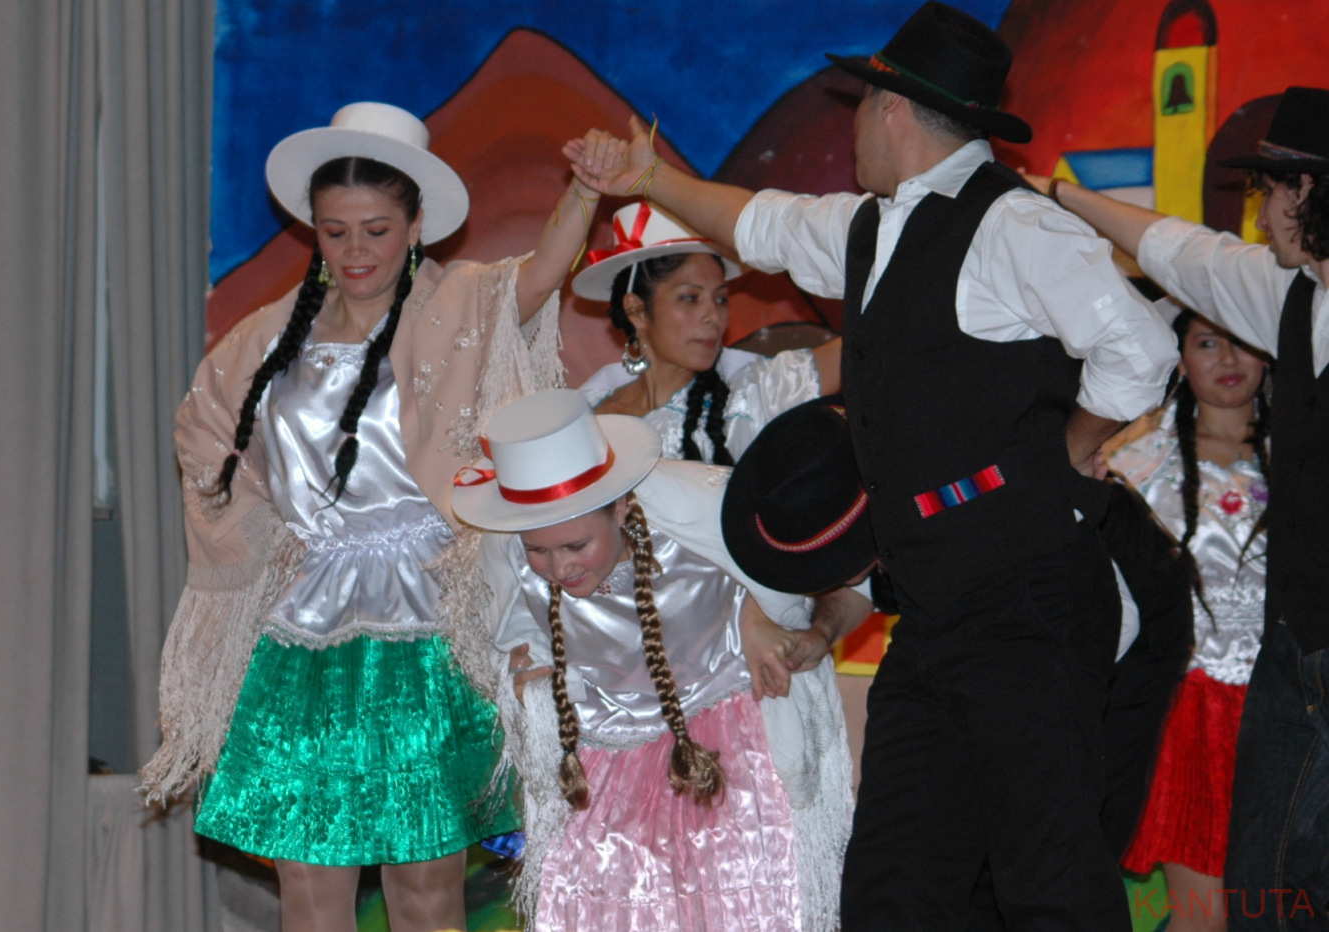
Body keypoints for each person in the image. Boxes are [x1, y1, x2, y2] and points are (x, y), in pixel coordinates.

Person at [566, 0, 1178, 931]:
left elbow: (1140, 346)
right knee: (893, 892)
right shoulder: (873, 228)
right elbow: (759, 223)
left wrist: (1072, 443)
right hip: (932, 612)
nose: (851, 124)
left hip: (1029, 599)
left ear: (891, 109)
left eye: (859, 103)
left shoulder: (1014, 226)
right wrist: (651, 178)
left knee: (1047, 881)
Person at [141, 102, 598, 932]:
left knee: (424, 887)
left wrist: (588, 191)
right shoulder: (265, 340)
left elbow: (536, 277)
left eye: (377, 231)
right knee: (309, 885)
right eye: (336, 231)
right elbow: (203, 435)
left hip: (427, 626)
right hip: (302, 634)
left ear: (416, 227)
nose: (356, 251)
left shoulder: (457, 306)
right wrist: (265, 542)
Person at [1024, 84, 1329, 929]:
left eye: (1270, 190)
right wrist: (1059, 195)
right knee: (1266, 892)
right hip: (1293, 659)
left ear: (1308, 189)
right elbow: (1181, 251)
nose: (1258, 213)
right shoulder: (1291, 295)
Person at [460, 390, 874, 932]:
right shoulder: (505, 555)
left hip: (728, 743)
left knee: (740, 902)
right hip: (607, 760)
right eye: (539, 550)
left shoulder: (703, 513)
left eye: (576, 546)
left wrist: (766, 615)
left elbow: (845, 576)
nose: (559, 569)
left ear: (620, 508)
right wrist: (527, 675)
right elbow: (504, 636)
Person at [1110, 311, 1269, 932]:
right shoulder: (1136, 466)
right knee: (1208, 917)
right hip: (1192, 714)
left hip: (1291, 707)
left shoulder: (1305, 456)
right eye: (1208, 344)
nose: (1228, 360)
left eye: (1243, 343)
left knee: (1285, 908)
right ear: (1179, 358)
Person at [570, 199, 843, 462]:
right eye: (690, 298)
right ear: (637, 310)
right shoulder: (587, 413)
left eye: (721, 299)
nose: (714, 316)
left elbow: (855, 347)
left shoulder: (748, 399)